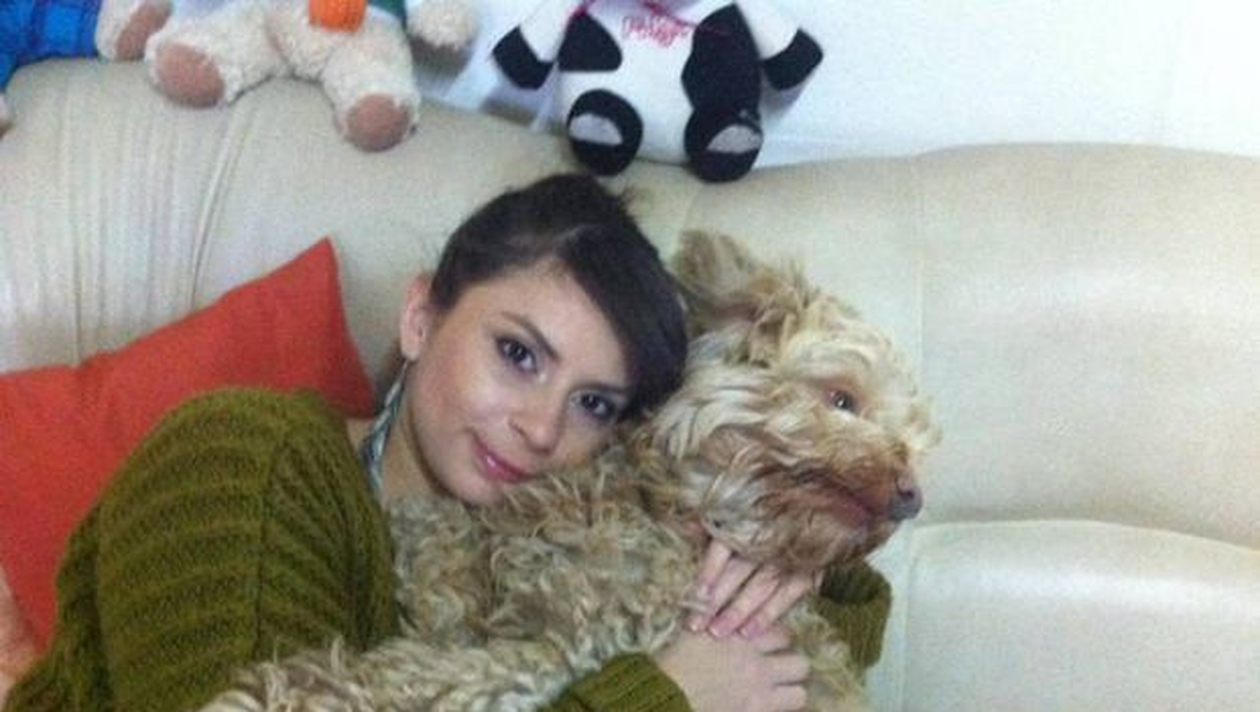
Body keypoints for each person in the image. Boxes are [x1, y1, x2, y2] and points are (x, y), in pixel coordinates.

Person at [5, 173, 890, 712]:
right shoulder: (247, 462)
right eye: (518, 355)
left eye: (593, 403)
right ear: (421, 316)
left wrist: (795, 557)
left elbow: (817, 648)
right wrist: (660, 699)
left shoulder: (553, 532)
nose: (541, 428)